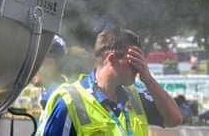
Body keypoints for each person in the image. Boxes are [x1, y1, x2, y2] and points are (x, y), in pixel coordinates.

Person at [36, 27, 182, 136]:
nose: (139, 67)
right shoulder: (70, 102)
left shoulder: (136, 95)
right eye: (133, 61)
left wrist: (148, 79)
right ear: (111, 59)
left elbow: (174, 119)